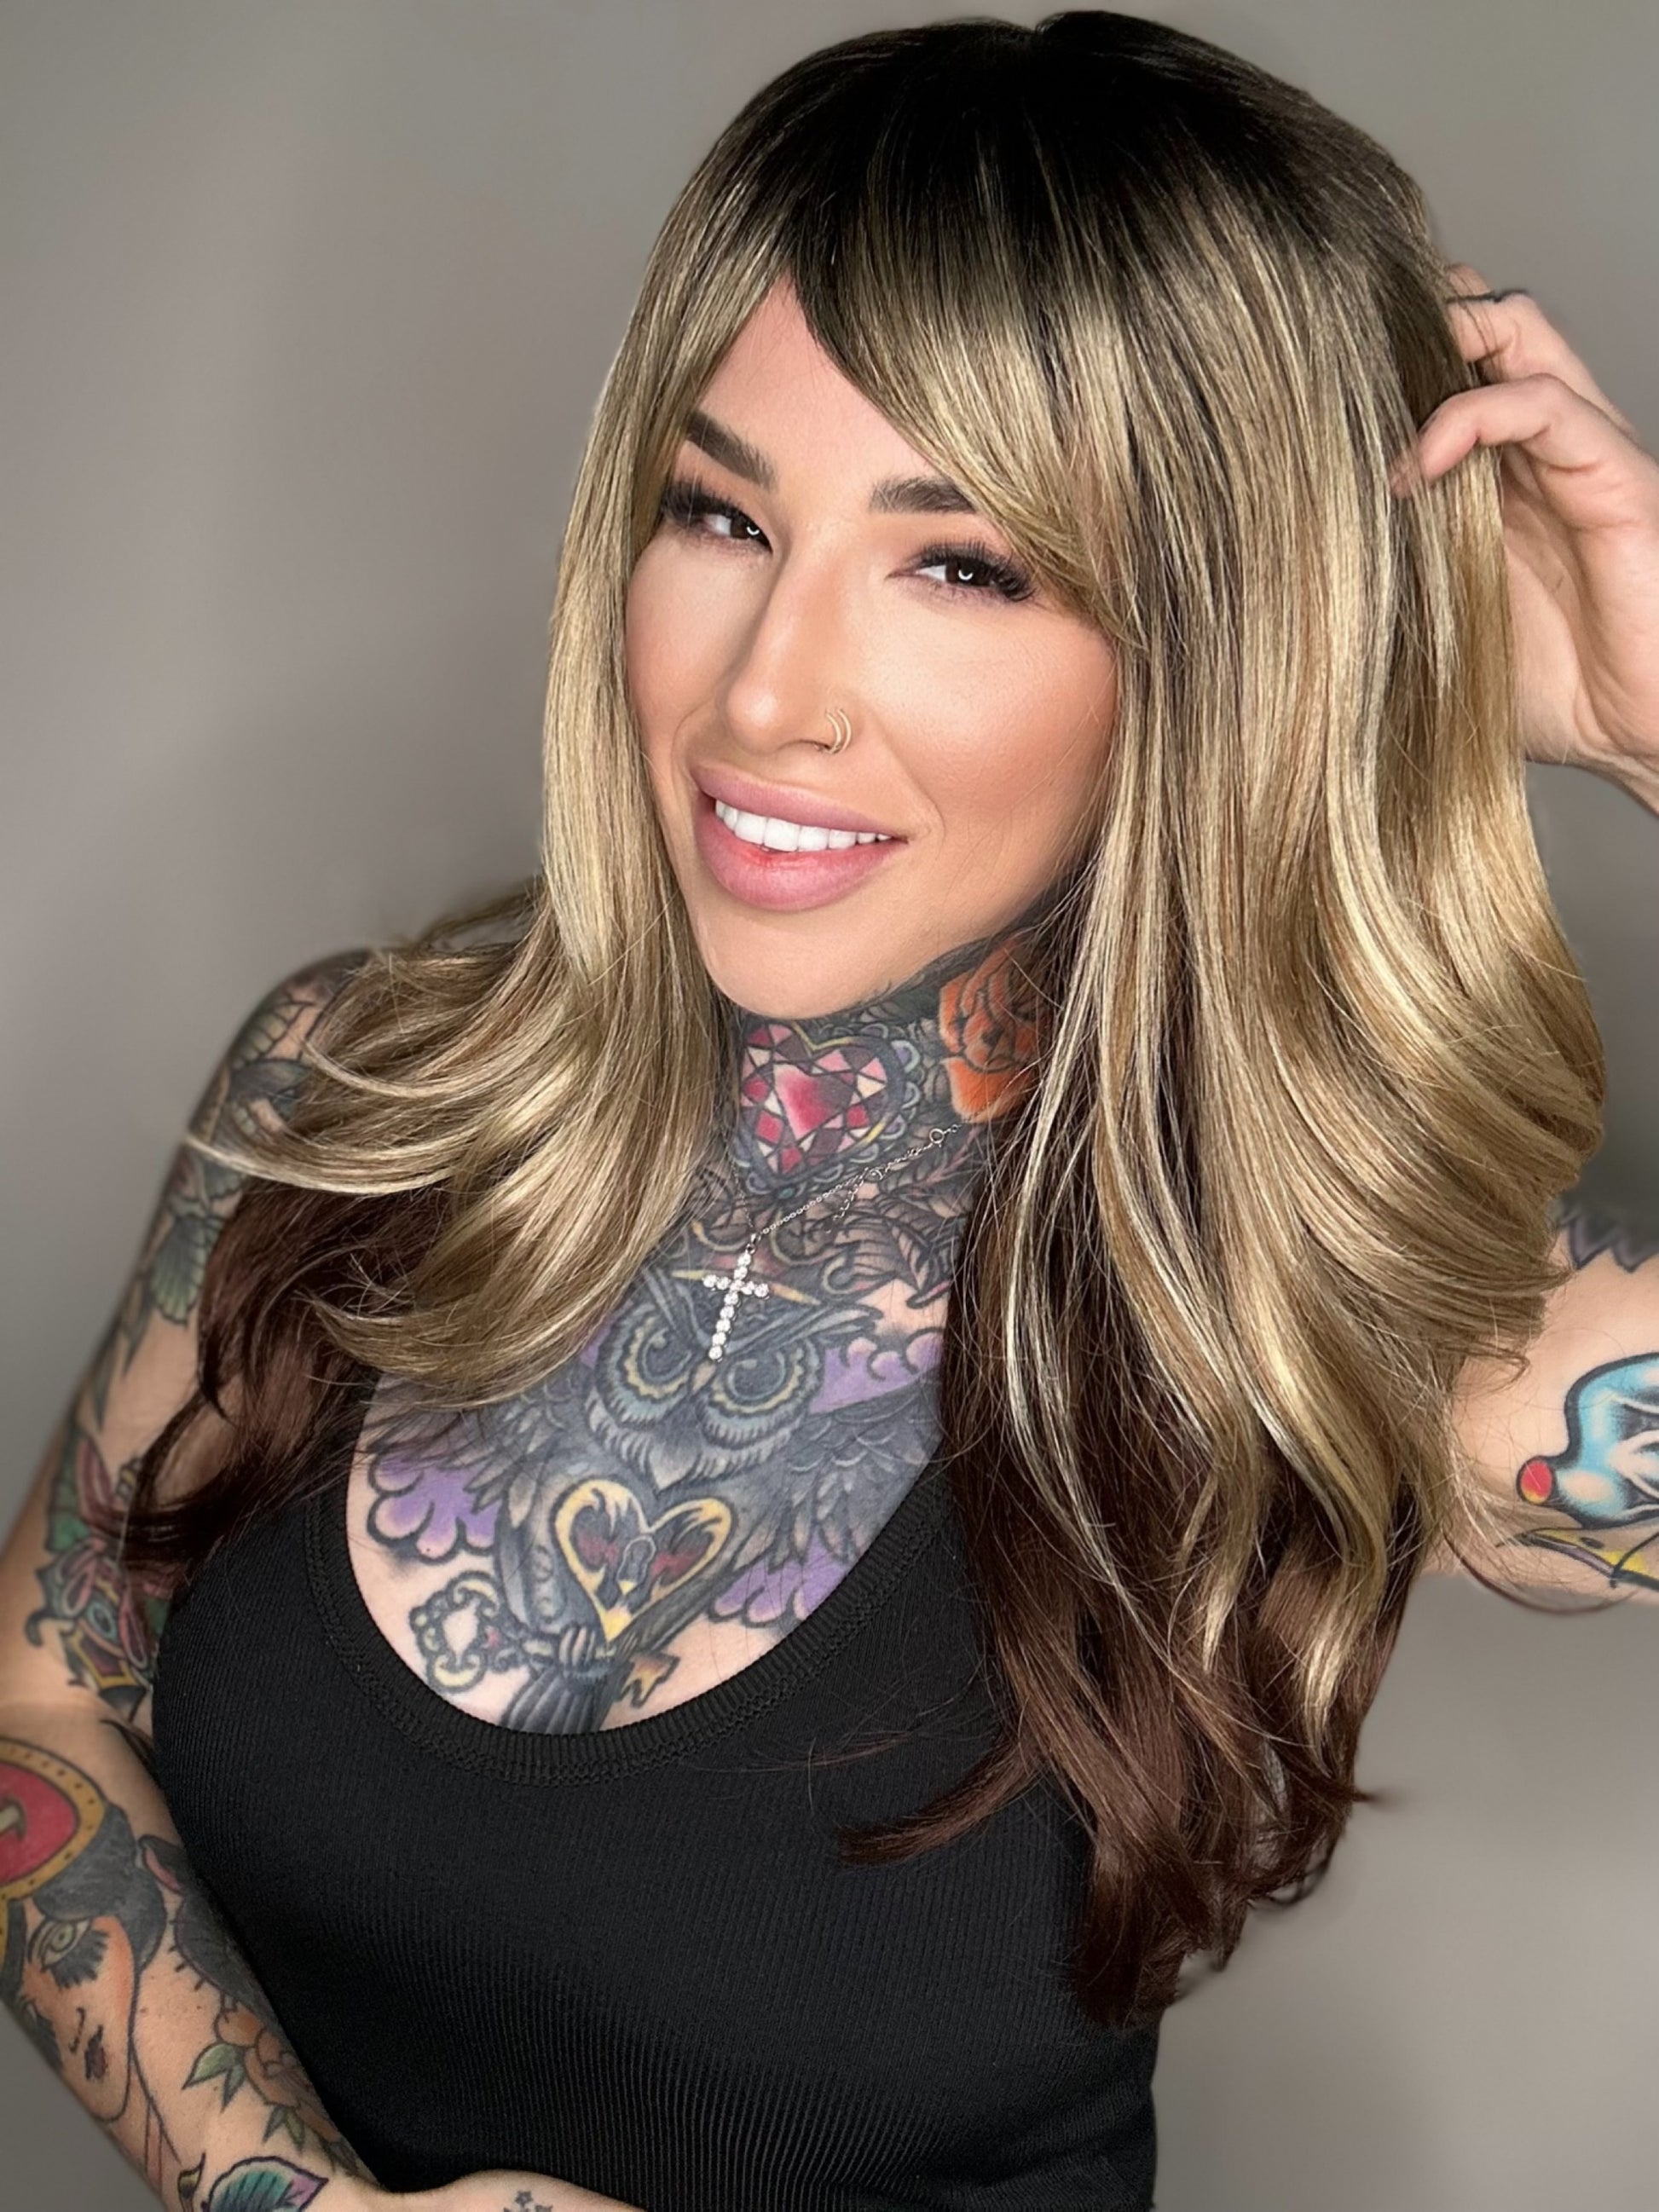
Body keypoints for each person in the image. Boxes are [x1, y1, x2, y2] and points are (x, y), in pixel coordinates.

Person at [3, 11, 1657, 2210]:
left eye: (961, 563)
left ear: (1224, 648)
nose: (763, 693)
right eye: (718, 514)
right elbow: (45, 1705)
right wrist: (287, 2197)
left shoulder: (1350, 1326)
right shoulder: (357, 1097)